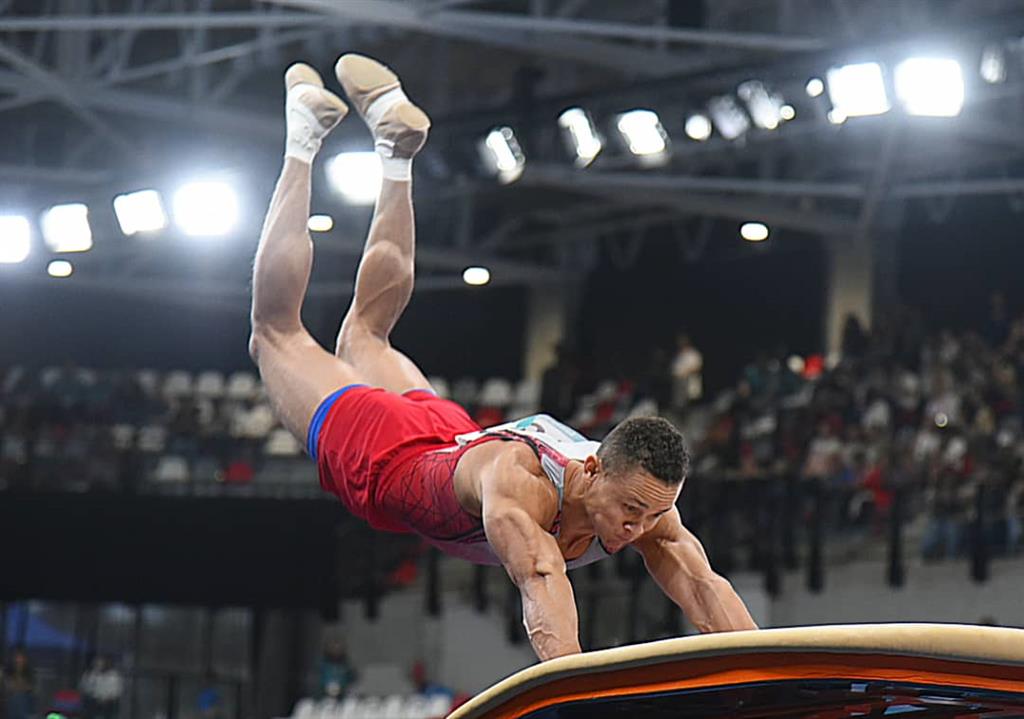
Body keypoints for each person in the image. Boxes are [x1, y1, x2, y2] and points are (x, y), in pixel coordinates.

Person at [247, 53, 758, 662]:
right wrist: (567, 690)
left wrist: (780, 677)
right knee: (275, 331)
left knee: (364, 337)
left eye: (649, 517)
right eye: (629, 511)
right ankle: (302, 138)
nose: (636, 530)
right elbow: (542, 577)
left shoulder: (646, 502)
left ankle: (395, 151)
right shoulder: (522, 487)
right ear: (591, 469)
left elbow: (703, 586)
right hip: (390, 457)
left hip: (452, 439)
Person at [79, 655, 124, 719]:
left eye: (102, 662)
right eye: (97, 662)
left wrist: (106, 698)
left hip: (109, 702)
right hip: (93, 701)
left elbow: (117, 691)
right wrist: (95, 696)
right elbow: (84, 687)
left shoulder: (114, 676)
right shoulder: (90, 674)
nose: (99, 664)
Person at [2, 648, 34, 719]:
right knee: (15, 698)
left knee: (21, 698)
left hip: (24, 700)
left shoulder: (28, 672)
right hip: (12, 699)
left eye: (21, 658)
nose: (19, 660)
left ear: (25, 659)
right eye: (17, 658)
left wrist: (20, 687)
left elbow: (29, 687)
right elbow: (9, 686)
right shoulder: (9, 671)